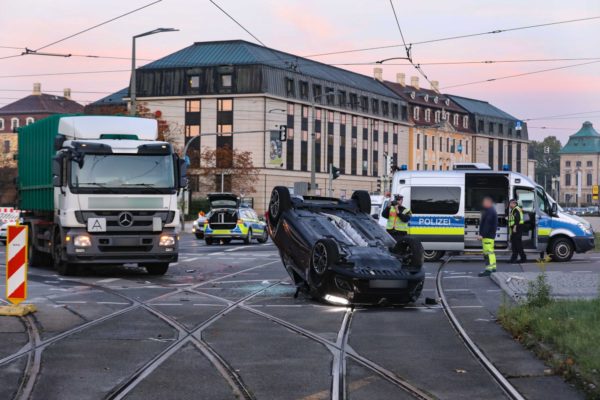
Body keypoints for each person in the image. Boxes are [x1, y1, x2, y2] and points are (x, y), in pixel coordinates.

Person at [478, 196, 498, 277]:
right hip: (490, 235)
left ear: (488, 202)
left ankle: (488, 270)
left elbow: (487, 224)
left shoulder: (489, 211)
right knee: (491, 252)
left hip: (487, 236)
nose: (483, 204)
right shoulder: (492, 210)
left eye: (484, 202)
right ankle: (493, 267)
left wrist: (482, 234)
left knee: (487, 253)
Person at [509, 198, 527, 263]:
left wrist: (514, 227)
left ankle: (523, 259)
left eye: (510, 203)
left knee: (518, 245)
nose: (510, 205)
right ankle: (513, 259)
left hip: (517, 230)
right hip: (515, 230)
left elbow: (517, 219)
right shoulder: (514, 209)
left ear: (514, 203)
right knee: (514, 245)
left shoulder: (516, 209)